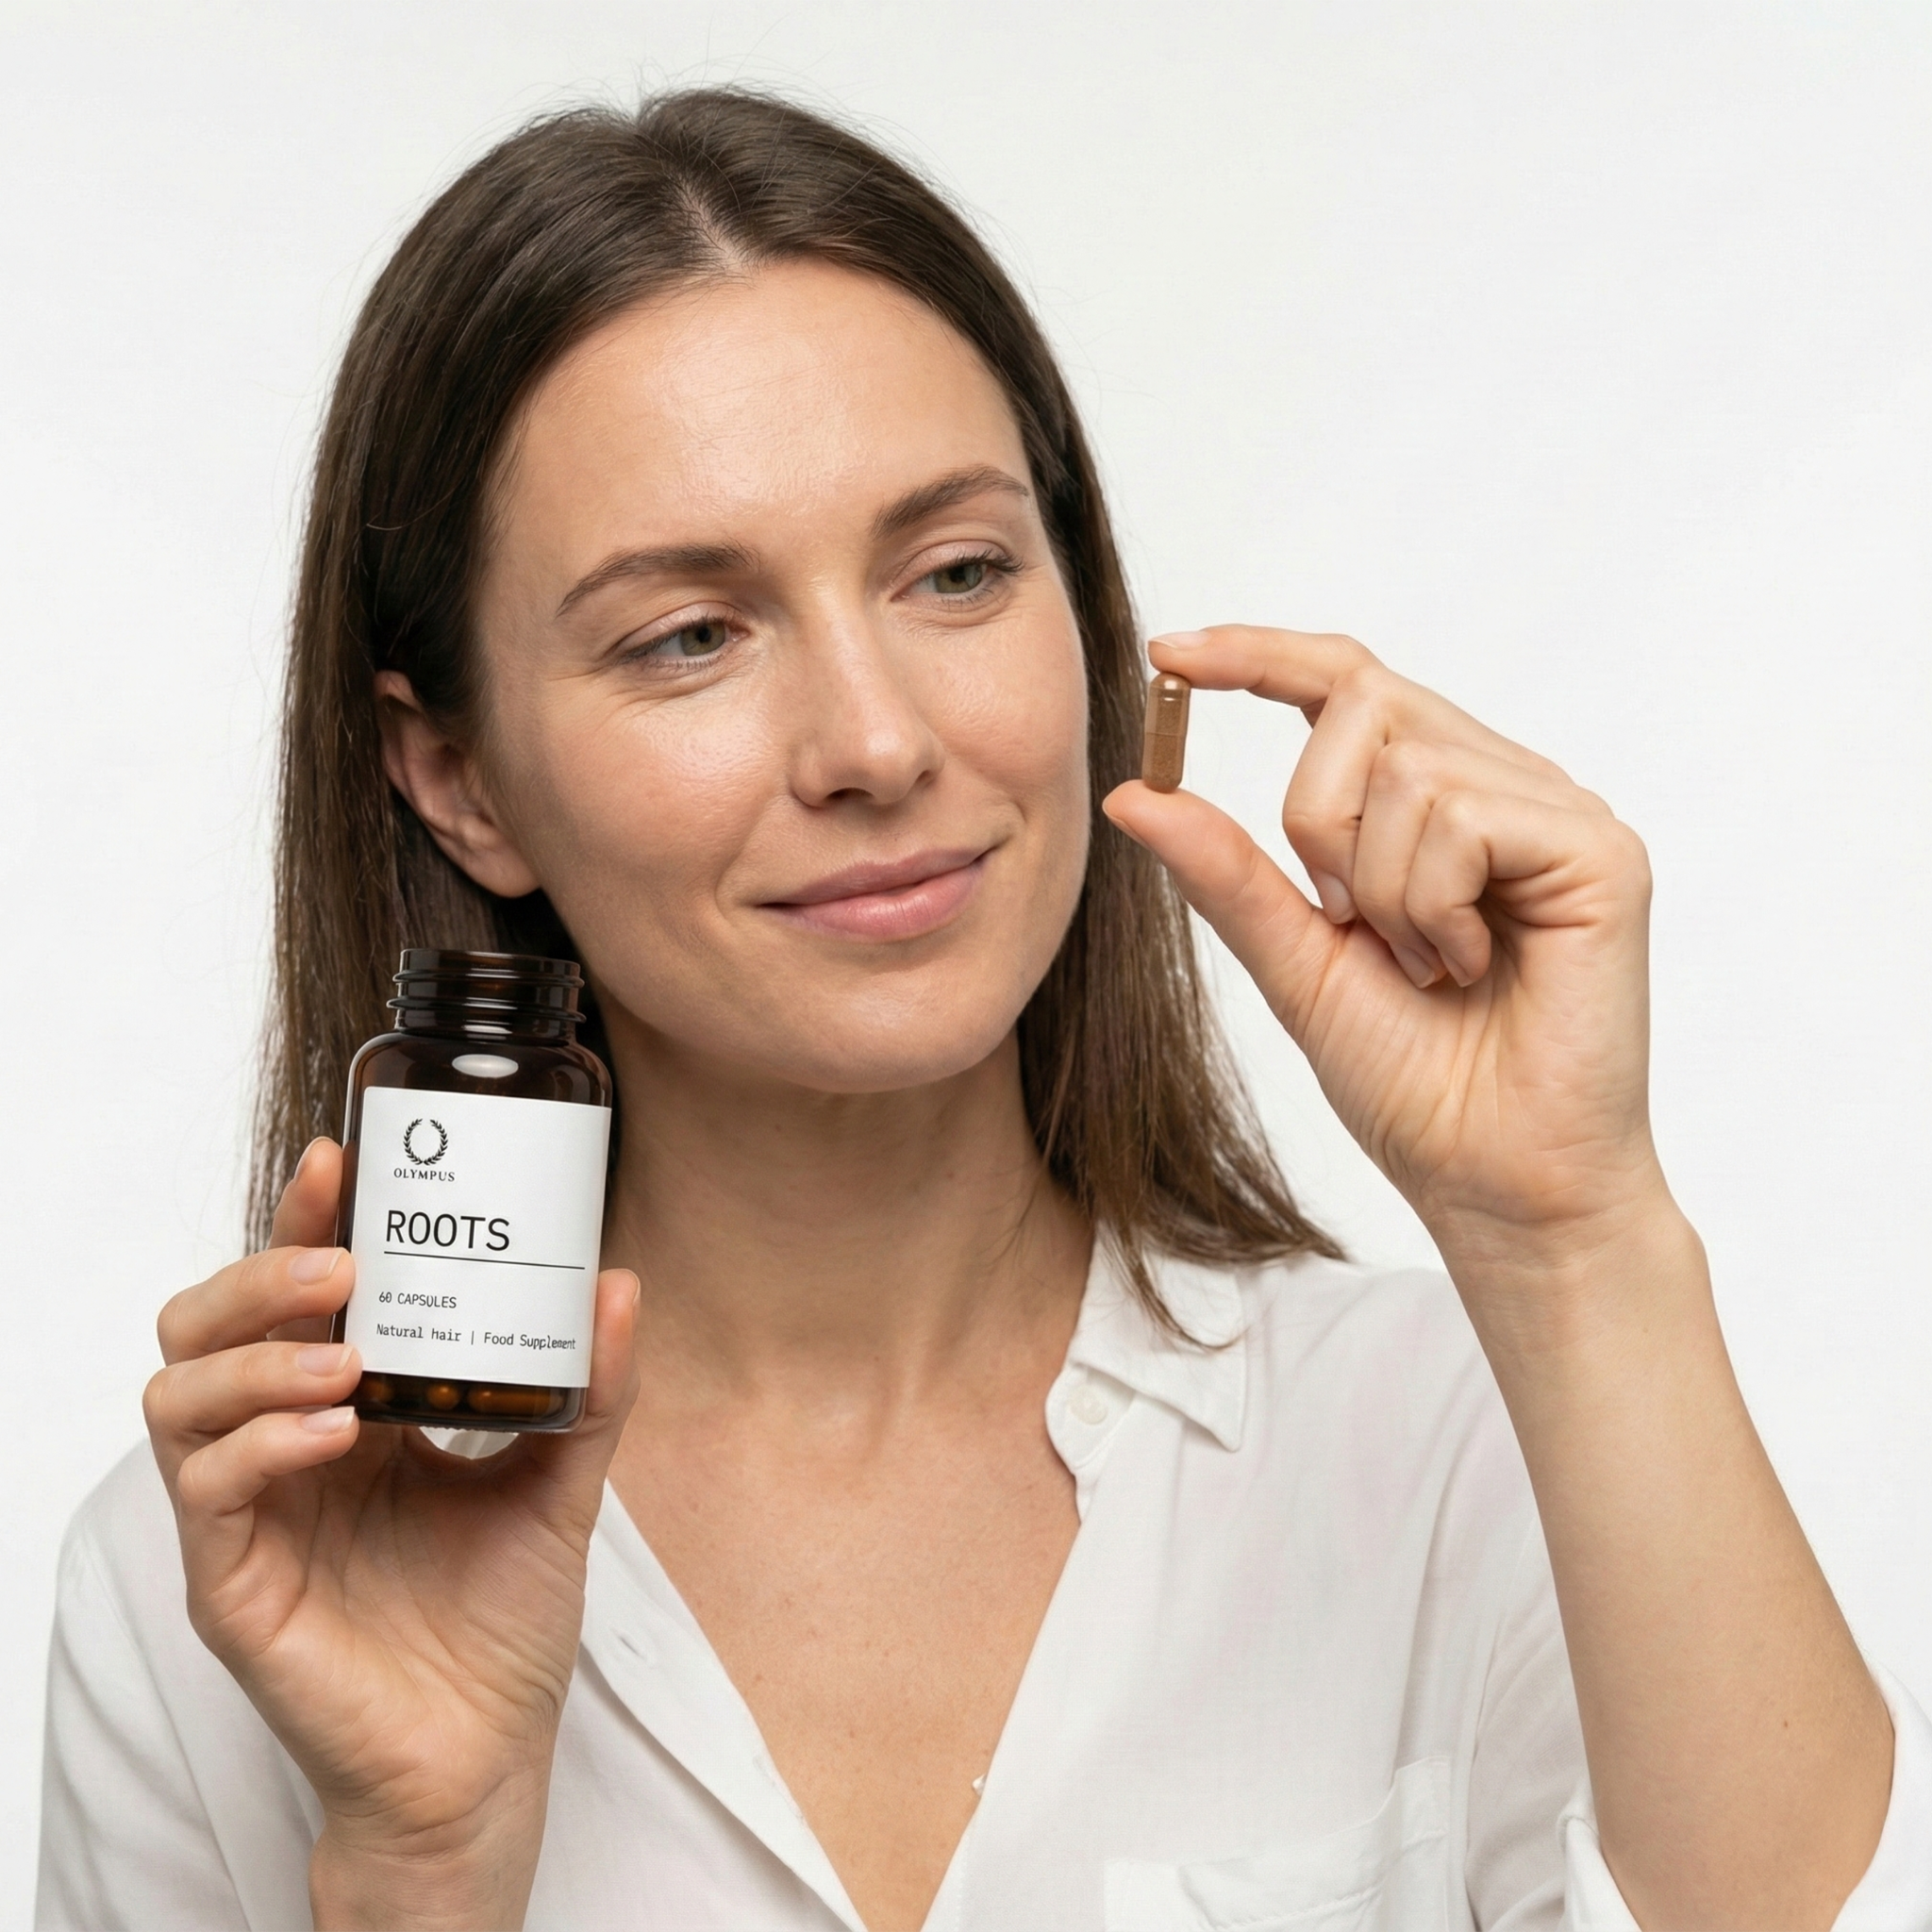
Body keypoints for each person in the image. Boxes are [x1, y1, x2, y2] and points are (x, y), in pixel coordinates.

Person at [36, 90, 1932, 1932]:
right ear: (458, 778)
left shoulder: (1463, 1447)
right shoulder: (234, 1577)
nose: (877, 741)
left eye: (955, 572)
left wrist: (1574, 1237)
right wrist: (420, 1876)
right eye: (689, 634)